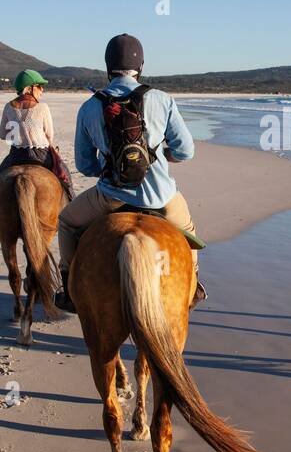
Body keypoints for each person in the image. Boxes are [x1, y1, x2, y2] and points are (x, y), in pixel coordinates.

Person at [55, 33, 204, 312]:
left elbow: (85, 165)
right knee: (188, 232)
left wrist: (110, 165)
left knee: (66, 222)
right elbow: (186, 151)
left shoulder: (89, 107)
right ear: (141, 66)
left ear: (108, 67)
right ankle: (193, 286)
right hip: (161, 197)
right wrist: (163, 156)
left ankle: (69, 288)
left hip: (110, 197)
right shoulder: (161, 99)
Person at [0, 69, 74, 199]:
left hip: (16, 154)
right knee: (65, 176)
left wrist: (18, 131)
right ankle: (71, 200)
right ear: (29, 88)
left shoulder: (8, 107)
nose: (42, 90)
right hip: (41, 155)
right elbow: (49, 135)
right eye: (39, 86)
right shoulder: (42, 107)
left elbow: (3, 135)